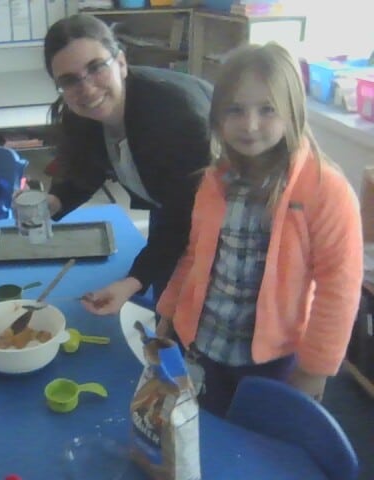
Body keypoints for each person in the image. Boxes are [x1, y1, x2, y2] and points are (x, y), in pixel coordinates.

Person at [156, 42, 363, 416]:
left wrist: (314, 369)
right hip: (205, 345)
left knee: (264, 439)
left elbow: (339, 287)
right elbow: (195, 255)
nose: (250, 125)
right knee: (209, 431)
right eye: (235, 110)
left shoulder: (325, 190)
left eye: (267, 109)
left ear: (292, 111)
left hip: (274, 359)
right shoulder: (214, 181)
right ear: (218, 116)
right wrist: (169, 311)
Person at [42, 14, 212, 314]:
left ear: (121, 63)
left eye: (96, 67)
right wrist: (55, 200)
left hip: (221, 213)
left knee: (190, 310)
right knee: (163, 296)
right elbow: (87, 165)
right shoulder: (82, 113)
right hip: (170, 202)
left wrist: (134, 280)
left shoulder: (176, 118)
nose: (86, 88)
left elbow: (182, 219)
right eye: (69, 80)